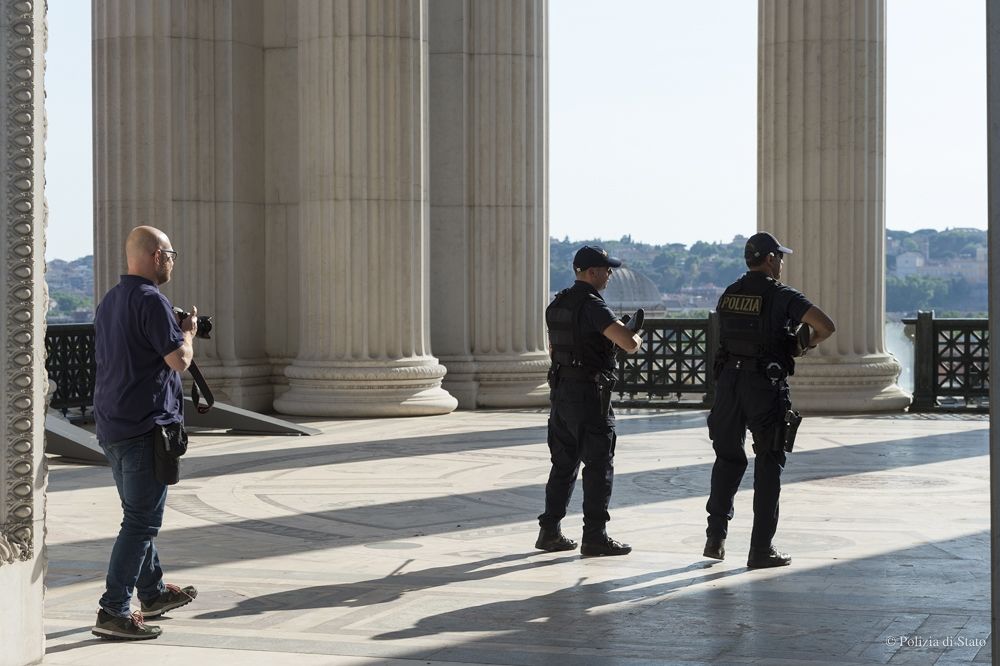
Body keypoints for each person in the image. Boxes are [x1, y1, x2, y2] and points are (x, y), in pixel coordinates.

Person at [91, 226, 200, 640]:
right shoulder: (152, 300)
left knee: (137, 515)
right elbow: (178, 361)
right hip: (145, 427)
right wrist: (187, 333)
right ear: (156, 256)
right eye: (171, 254)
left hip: (113, 424)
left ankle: (152, 594)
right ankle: (113, 611)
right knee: (141, 523)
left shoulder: (110, 300)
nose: (172, 261)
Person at [704, 232, 836, 568]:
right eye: (780, 257)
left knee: (727, 459)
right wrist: (803, 343)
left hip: (728, 385)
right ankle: (761, 549)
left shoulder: (730, 293)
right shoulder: (782, 295)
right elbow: (825, 326)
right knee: (768, 462)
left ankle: (715, 538)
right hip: (763, 386)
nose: (781, 264)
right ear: (770, 259)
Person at [535, 245, 643, 557]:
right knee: (598, 466)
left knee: (563, 465)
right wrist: (636, 335)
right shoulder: (593, 305)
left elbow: (556, 349)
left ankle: (549, 531)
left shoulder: (558, 303)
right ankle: (595, 536)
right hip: (589, 396)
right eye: (607, 270)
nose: (609, 275)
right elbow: (627, 342)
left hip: (561, 394)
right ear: (592, 272)